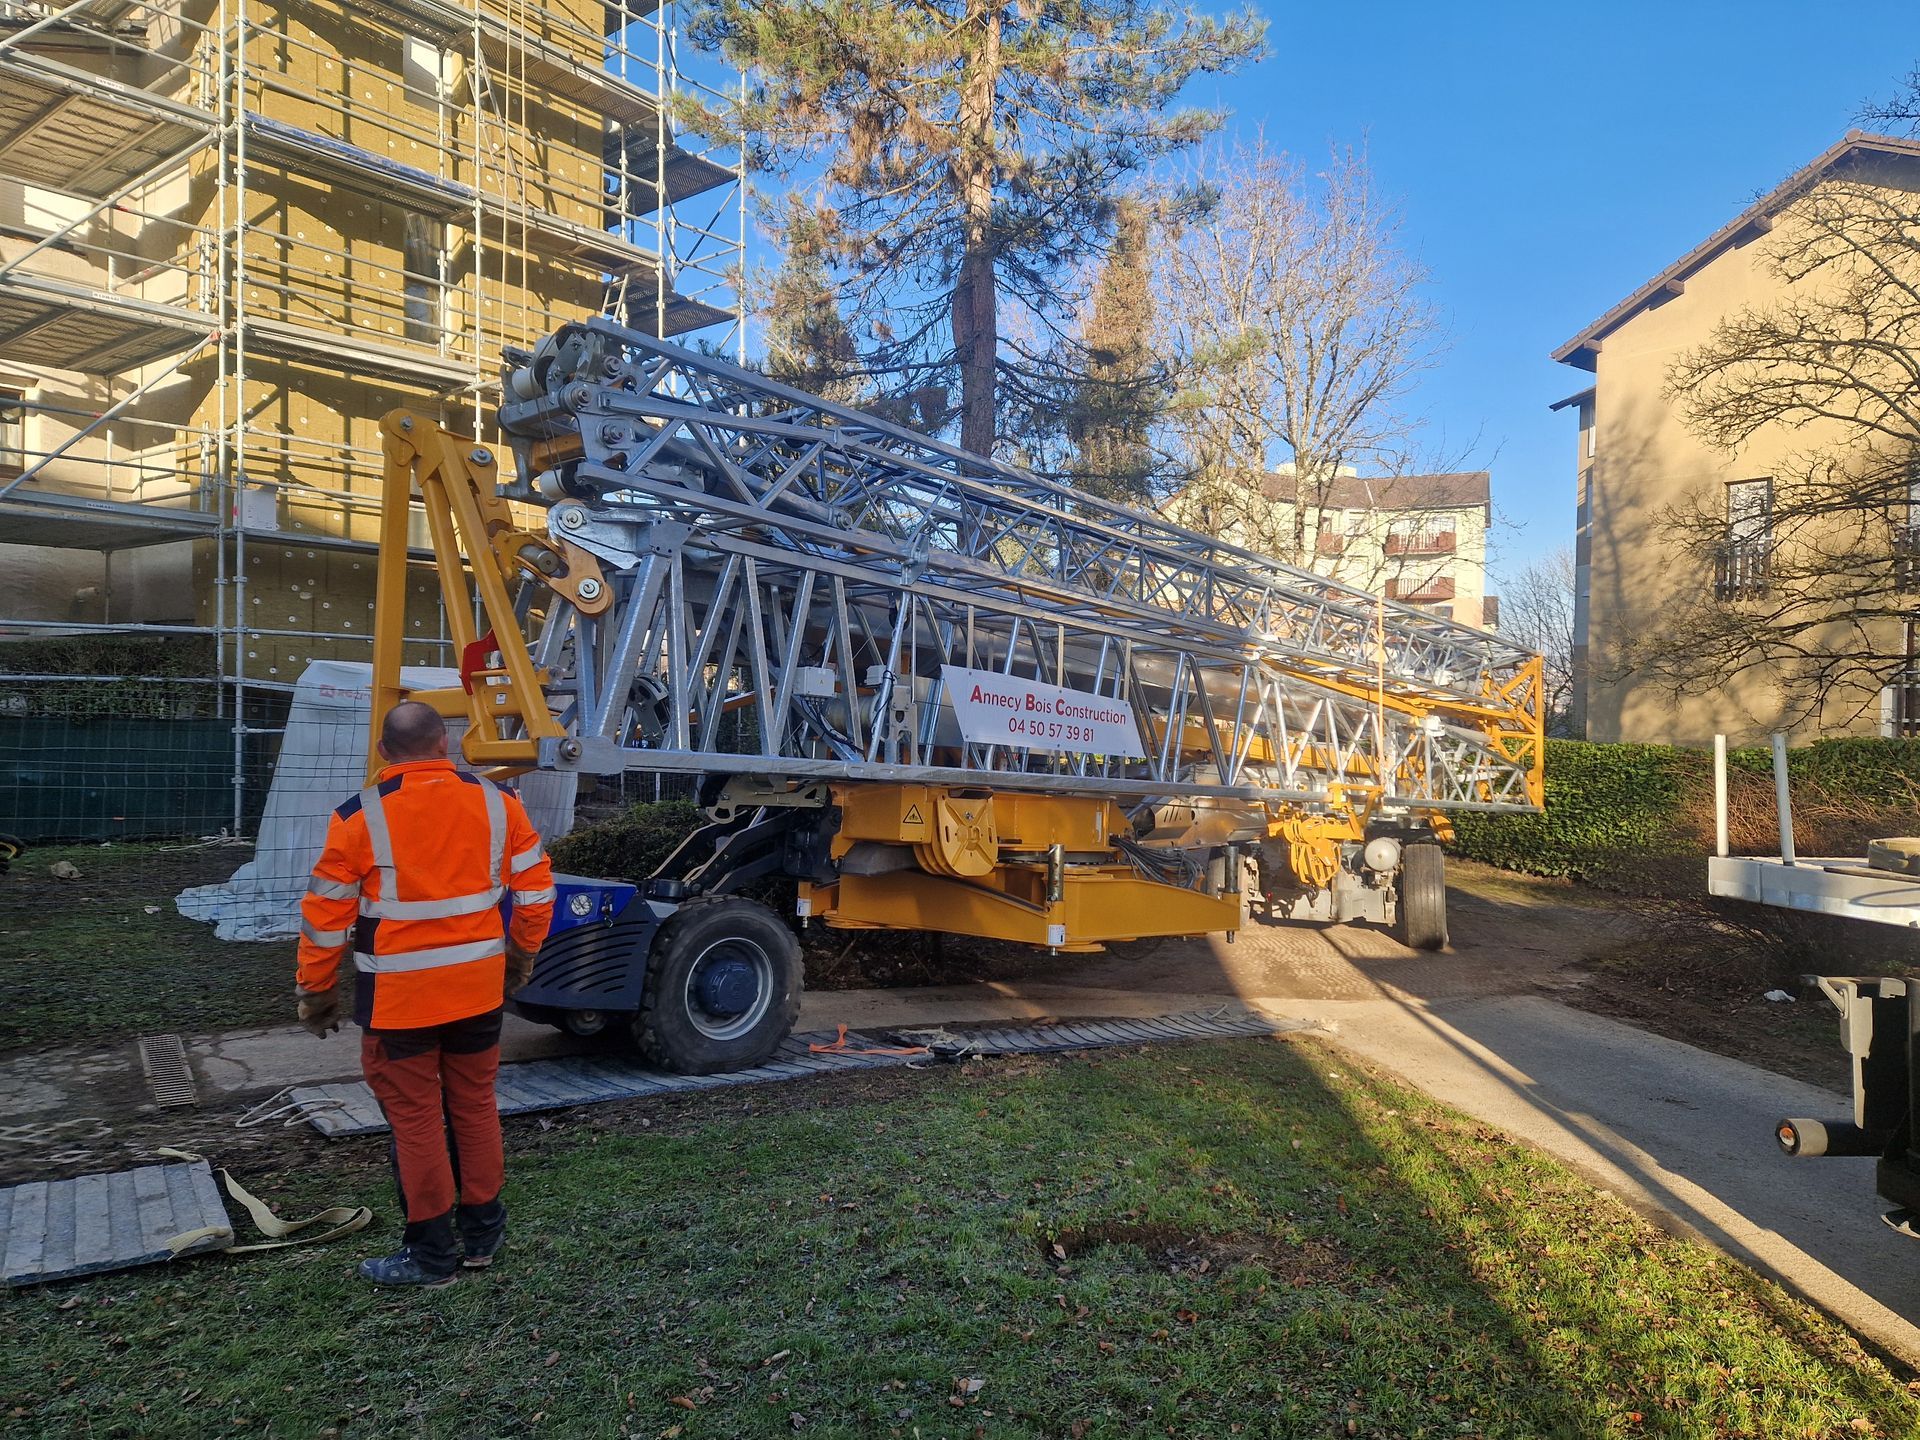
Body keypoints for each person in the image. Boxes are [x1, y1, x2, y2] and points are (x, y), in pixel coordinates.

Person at [293, 701, 555, 1287]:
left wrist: (316, 992)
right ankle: (483, 1235)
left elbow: (325, 917)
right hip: (479, 992)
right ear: (446, 744)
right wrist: (521, 955)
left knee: (415, 1122)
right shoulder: (499, 803)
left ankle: (432, 1256)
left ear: (385, 753)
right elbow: (537, 894)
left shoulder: (358, 817)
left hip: (399, 1003)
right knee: (474, 1104)